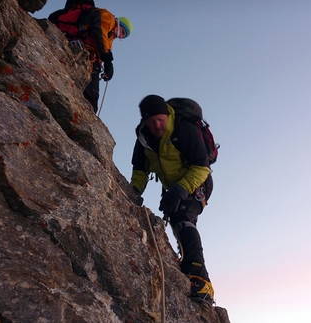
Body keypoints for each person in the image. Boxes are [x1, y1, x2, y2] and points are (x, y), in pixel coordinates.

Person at [130, 94, 214, 301]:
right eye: (152, 122)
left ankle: (201, 280)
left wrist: (180, 190)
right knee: (178, 220)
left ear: (167, 115)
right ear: (145, 122)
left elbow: (202, 167)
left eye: (161, 119)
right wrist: (132, 193)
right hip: (173, 188)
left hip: (197, 182)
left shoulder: (184, 129)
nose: (157, 125)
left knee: (183, 219)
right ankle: (188, 267)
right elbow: (140, 170)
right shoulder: (144, 139)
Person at [48, 0, 132, 113]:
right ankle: (88, 112)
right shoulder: (109, 19)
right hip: (85, 51)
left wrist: (105, 63)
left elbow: (101, 46)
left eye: (123, 35)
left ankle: (85, 110)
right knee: (91, 95)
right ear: (119, 23)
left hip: (83, 49)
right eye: (123, 31)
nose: (121, 35)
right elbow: (99, 31)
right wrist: (108, 60)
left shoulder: (110, 36)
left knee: (87, 87)